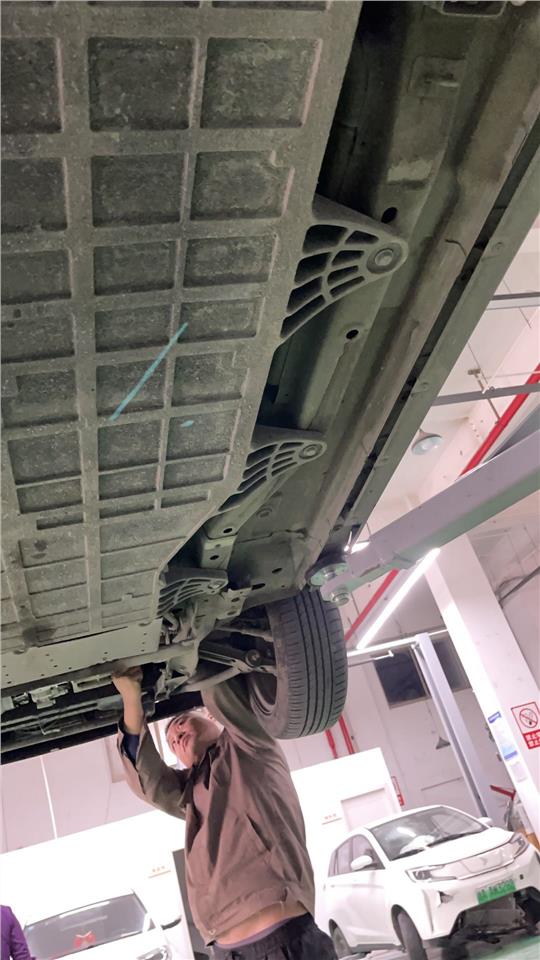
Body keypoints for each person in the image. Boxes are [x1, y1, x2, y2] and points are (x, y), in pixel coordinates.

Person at [113, 667, 338, 960]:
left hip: (286, 942)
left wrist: (189, 660)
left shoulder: (252, 746)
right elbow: (146, 778)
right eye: (171, 743)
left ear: (210, 718)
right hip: (227, 952)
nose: (176, 737)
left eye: (181, 723)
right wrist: (131, 697)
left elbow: (221, 689)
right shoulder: (189, 797)